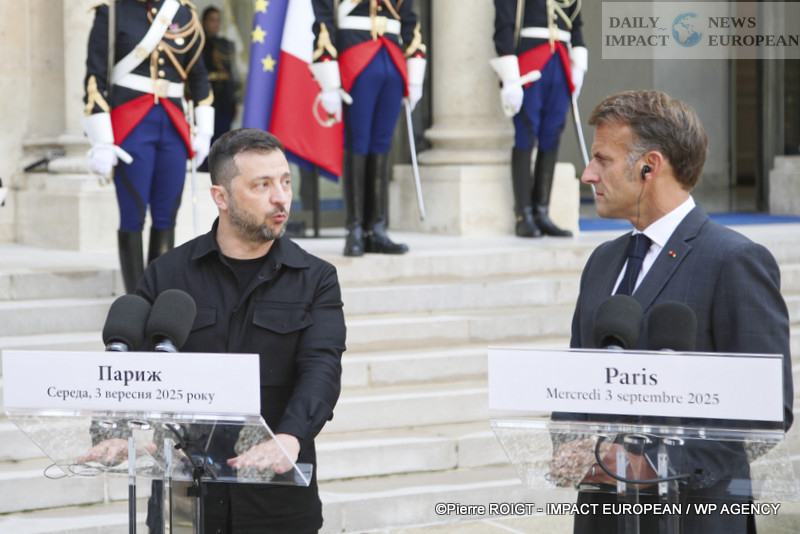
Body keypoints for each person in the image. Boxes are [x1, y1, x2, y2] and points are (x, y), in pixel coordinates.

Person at [565, 89, 794, 533]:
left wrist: (652, 464)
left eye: (602, 160)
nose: (588, 174)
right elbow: (575, 387)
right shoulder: (601, 263)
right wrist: (570, 445)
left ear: (649, 166)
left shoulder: (734, 260)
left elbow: (766, 410)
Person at [134, 128, 345, 533]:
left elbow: (322, 365)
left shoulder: (316, 278)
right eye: (262, 185)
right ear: (221, 197)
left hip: (275, 500)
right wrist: (114, 432)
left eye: (285, 182)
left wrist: (290, 437)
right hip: (185, 501)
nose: (281, 197)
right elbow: (134, 370)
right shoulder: (167, 274)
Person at [83, 0, 214, 294]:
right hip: (131, 125)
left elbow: (198, 75)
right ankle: (135, 301)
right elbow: (95, 78)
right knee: (133, 214)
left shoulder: (183, 13)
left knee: (167, 214)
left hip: (174, 126)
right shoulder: (111, 11)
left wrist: (205, 129)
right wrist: (102, 140)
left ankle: (157, 299)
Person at [310, 0, 427, 256]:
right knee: (358, 143)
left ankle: (377, 229)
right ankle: (355, 229)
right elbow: (323, 20)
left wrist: (415, 67)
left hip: (393, 58)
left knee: (382, 143)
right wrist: (328, 77)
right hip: (356, 56)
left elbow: (409, 17)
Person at [492, 0, 587, 238]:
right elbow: (504, 24)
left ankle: (542, 212)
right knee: (526, 132)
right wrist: (510, 75)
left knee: (552, 134)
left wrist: (578, 63)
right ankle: (524, 215)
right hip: (531, 58)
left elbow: (575, 22)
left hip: (561, 58)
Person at [201, 6, 239, 149]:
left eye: (218, 20)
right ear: (204, 21)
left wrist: (234, 101)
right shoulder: (199, 44)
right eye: (212, 20)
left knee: (223, 143)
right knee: (205, 141)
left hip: (225, 101)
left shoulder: (226, 45)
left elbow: (232, 75)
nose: (216, 24)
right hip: (206, 99)